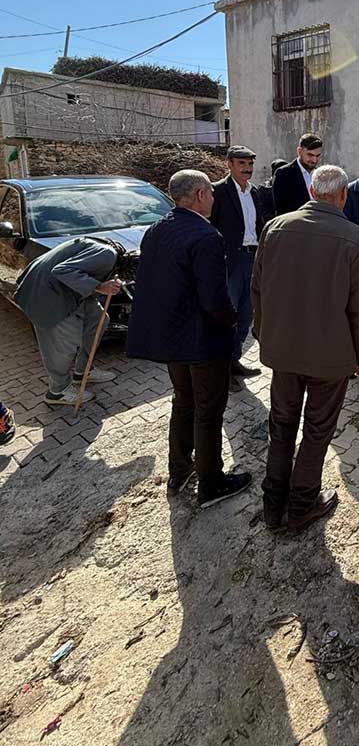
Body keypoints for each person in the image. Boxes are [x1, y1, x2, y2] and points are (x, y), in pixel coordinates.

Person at [253, 165, 359, 533]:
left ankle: (273, 506)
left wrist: (264, 335)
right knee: (317, 431)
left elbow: (257, 291)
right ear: (342, 196)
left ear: (311, 190)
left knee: (282, 426)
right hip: (330, 357)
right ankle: (302, 505)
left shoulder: (275, 228)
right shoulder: (358, 239)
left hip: (284, 352)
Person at [127, 170, 251, 506]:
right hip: (203, 341)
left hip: (173, 339)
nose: (214, 198)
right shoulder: (206, 236)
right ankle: (211, 483)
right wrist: (232, 321)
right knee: (208, 411)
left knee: (184, 402)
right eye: (211, 192)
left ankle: (179, 471)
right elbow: (215, 299)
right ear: (199, 195)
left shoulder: (156, 229)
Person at [14, 237, 128, 405]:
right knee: (63, 344)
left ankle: (83, 372)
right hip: (45, 294)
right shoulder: (107, 255)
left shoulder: (100, 247)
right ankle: (58, 391)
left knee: (99, 319)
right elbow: (62, 270)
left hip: (64, 289)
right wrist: (100, 286)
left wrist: (97, 286)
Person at [210, 145, 270, 386]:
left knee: (246, 315)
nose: (248, 169)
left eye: (250, 164)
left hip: (252, 258)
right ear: (230, 164)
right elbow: (210, 229)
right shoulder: (218, 191)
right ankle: (222, 371)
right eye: (242, 164)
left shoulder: (254, 192)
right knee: (228, 315)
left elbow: (260, 225)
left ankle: (234, 361)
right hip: (230, 262)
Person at [272, 133, 323, 215]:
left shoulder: (320, 175)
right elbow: (282, 210)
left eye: (317, 156)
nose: (314, 160)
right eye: (310, 155)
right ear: (299, 151)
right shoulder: (284, 174)